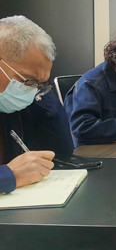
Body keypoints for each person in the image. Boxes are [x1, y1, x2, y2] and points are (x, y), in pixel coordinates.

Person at [0, 16, 73, 193]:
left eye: (40, 84)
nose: (32, 92)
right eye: (29, 81)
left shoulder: (13, 103)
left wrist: (40, 87)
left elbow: (62, 151)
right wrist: (8, 175)